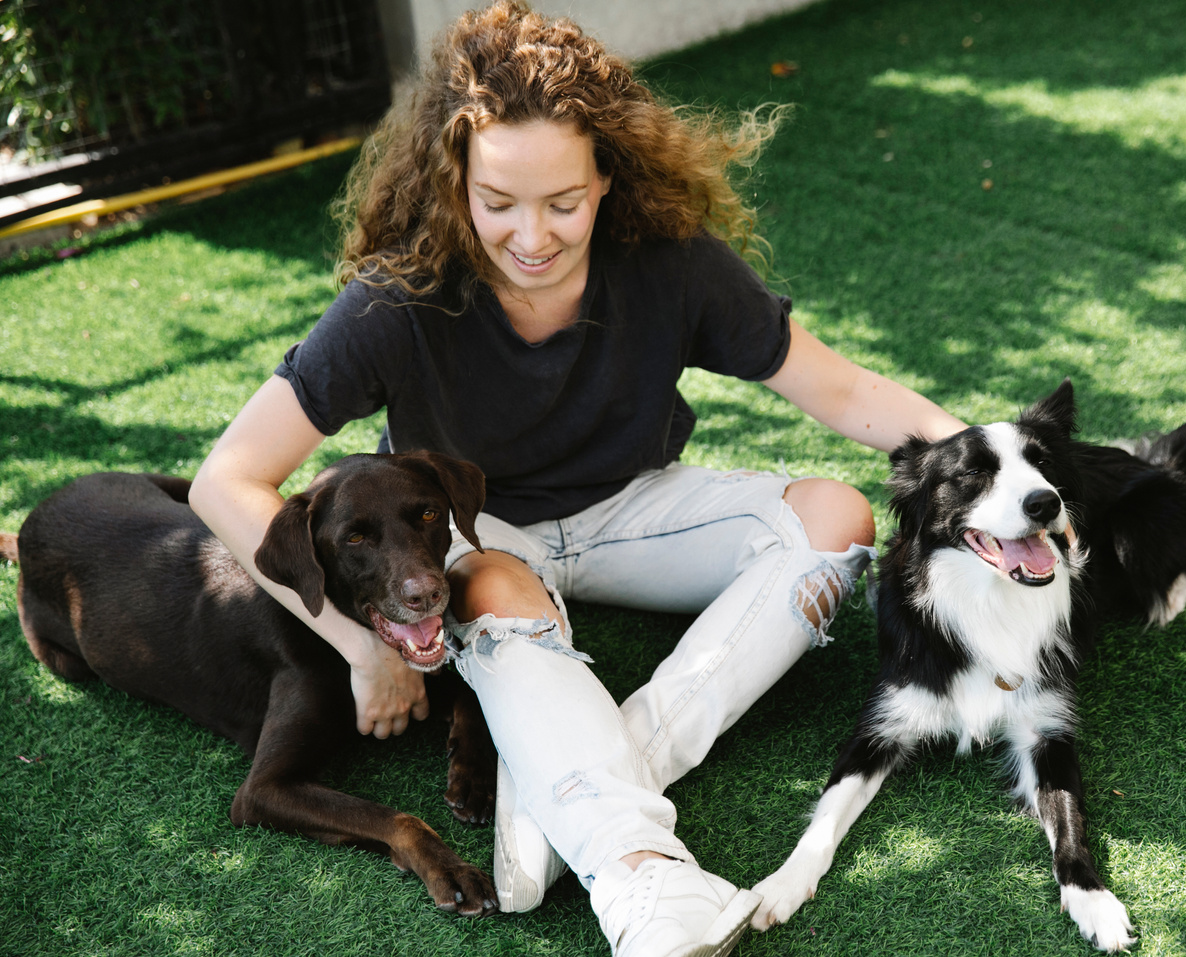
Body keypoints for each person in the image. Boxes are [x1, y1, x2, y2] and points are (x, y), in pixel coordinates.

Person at [190, 3, 966, 955]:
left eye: (563, 202)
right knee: (501, 583)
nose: (531, 235)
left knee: (836, 516)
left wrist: (991, 459)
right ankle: (640, 877)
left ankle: (575, 783)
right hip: (479, 537)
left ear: (608, 177)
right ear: (453, 182)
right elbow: (225, 480)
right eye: (497, 201)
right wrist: (356, 643)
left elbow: (842, 390)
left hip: (633, 508)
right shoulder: (396, 300)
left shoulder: (669, 263)